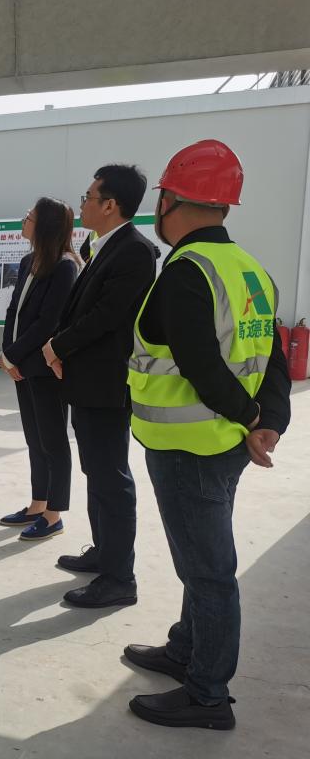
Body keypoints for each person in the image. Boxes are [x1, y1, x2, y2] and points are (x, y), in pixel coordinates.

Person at [122, 140, 290, 730]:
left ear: (172, 200)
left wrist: (250, 418)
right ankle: (185, 647)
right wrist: (267, 421)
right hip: (224, 444)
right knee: (201, 561)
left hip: (189, 446)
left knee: (209, 573)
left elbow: (200, 365)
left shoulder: (186, 272)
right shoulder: (250, 269)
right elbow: (273, 360)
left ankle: (208, 694)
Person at [41, 164, 158, 607]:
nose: (83, 204)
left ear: (110, 205)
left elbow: (107, 316)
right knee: (97, 472)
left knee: (111, 478)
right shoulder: (103, 246)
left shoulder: (134, 251)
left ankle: (119, 578)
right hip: (88, 382)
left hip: (107, 385)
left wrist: (57, 346)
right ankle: (104, 552)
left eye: (88, 197)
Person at [0, 198, 81, 541]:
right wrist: (8, 353)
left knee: (53, 441)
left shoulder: (65, 266)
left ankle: (53, 514)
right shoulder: (28, 260)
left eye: (29, 217)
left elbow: (49, 322)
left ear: (44, 225)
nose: (24, 220)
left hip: (45, 367)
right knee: (35, 439)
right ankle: (37, 504)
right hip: (23, 366)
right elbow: (14, 311)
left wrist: (13, 355)